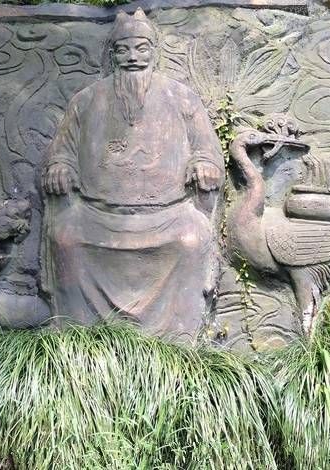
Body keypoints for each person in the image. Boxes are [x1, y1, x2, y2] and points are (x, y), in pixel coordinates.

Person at [41, 8, 224, 339]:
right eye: (123, 49)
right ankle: (77, 336)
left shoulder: (182, 97)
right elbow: (61, 152)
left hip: (168, 216)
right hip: (97, 215)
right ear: (112, 55)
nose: (133, 57)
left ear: (154, 51)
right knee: (66, 237)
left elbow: (206, 148)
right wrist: (60, 167)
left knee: (192, 239)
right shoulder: (86, 100)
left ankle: (181, 339)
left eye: (141, 48)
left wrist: (205, 164)